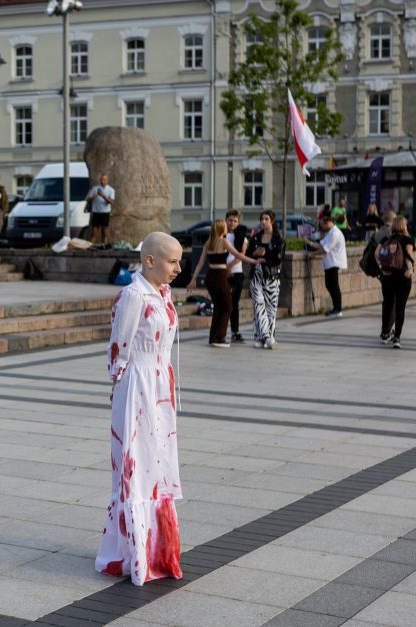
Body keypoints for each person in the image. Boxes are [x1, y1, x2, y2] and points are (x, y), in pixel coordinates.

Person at [96, 231, 184, 587]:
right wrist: (117, 385)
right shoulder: (132, 295)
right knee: (137, 467)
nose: (179, 268)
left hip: (159, 385)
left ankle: (156, 551)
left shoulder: (162, 293)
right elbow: (118, 347)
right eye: (173, 261)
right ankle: (133, 555)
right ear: (150, 260)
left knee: (158, 467)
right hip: (137, 386)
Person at [186, 220, 259, 347]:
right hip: (220, 275)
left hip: (210, 276)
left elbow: (200, 264)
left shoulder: (208, 243)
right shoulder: (223, 241)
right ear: (221, 229)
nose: (227, 228)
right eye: (225, 226)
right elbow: (238, 255)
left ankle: (213, 337)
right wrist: (254, 261)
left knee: (219, 307)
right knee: (228, 306)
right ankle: (219, 338)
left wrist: (193, 280)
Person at [246, 210, 285, 349]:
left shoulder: (278, 239)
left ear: (272, 221)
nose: (263, 221)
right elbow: (248, 254)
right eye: (262, 219)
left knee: (270, 309)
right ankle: (267, 337)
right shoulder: (256, 237)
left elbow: (278, 258)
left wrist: (265, 255)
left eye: (266, 219)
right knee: (258, 305)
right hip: (257, 275)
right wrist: (255, 254)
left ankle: (260, 337)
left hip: (272, 276)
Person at [376, 216, 416, 349]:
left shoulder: (386, 240)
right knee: (400, 307)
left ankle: (385, 334)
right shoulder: (408, 240)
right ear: (404, 226)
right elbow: (408, 256)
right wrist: (410, 269)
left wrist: (382, 268)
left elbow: (377, 254)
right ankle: (397, 338)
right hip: (402, 277)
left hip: (387, 276)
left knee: (387, 305)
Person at [305, 214, 347, 317]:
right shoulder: (330, 233)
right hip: (330, 263)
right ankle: (336, 308)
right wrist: (309, 242)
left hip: (334, 262)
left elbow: (324, 249)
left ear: (328, 223)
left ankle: (338, 309)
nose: (322, 228)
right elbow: (321, 245)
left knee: (333, 286)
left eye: (322, 225)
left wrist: (312, 254)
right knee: (330, 285)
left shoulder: (334, 233)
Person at [224, 210, 249, 343]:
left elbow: (242, 255)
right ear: (226, 220)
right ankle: (220, 330)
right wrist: (225, 269)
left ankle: (235, 331)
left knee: (234, 303)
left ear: (238, 222)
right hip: (223, 274)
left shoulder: (242, 236)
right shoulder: (222, 236)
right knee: (224, 303)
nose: (232, 223)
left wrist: (229, 267)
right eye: (230, 220)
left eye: (235, 221)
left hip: (237, 272)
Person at [86, 174, 115, 246]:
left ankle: (104, 246)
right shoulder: (95, 188)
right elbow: (87, 199)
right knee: (94, 232)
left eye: (104, 180)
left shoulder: (111, 190)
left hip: (105, 212)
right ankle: (91, 246)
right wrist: (93, 196)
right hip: (96, 212)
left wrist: (103, 195)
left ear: (107, 180)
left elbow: (111, 202)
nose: (102, 181)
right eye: (101, 179)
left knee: (104, 231)